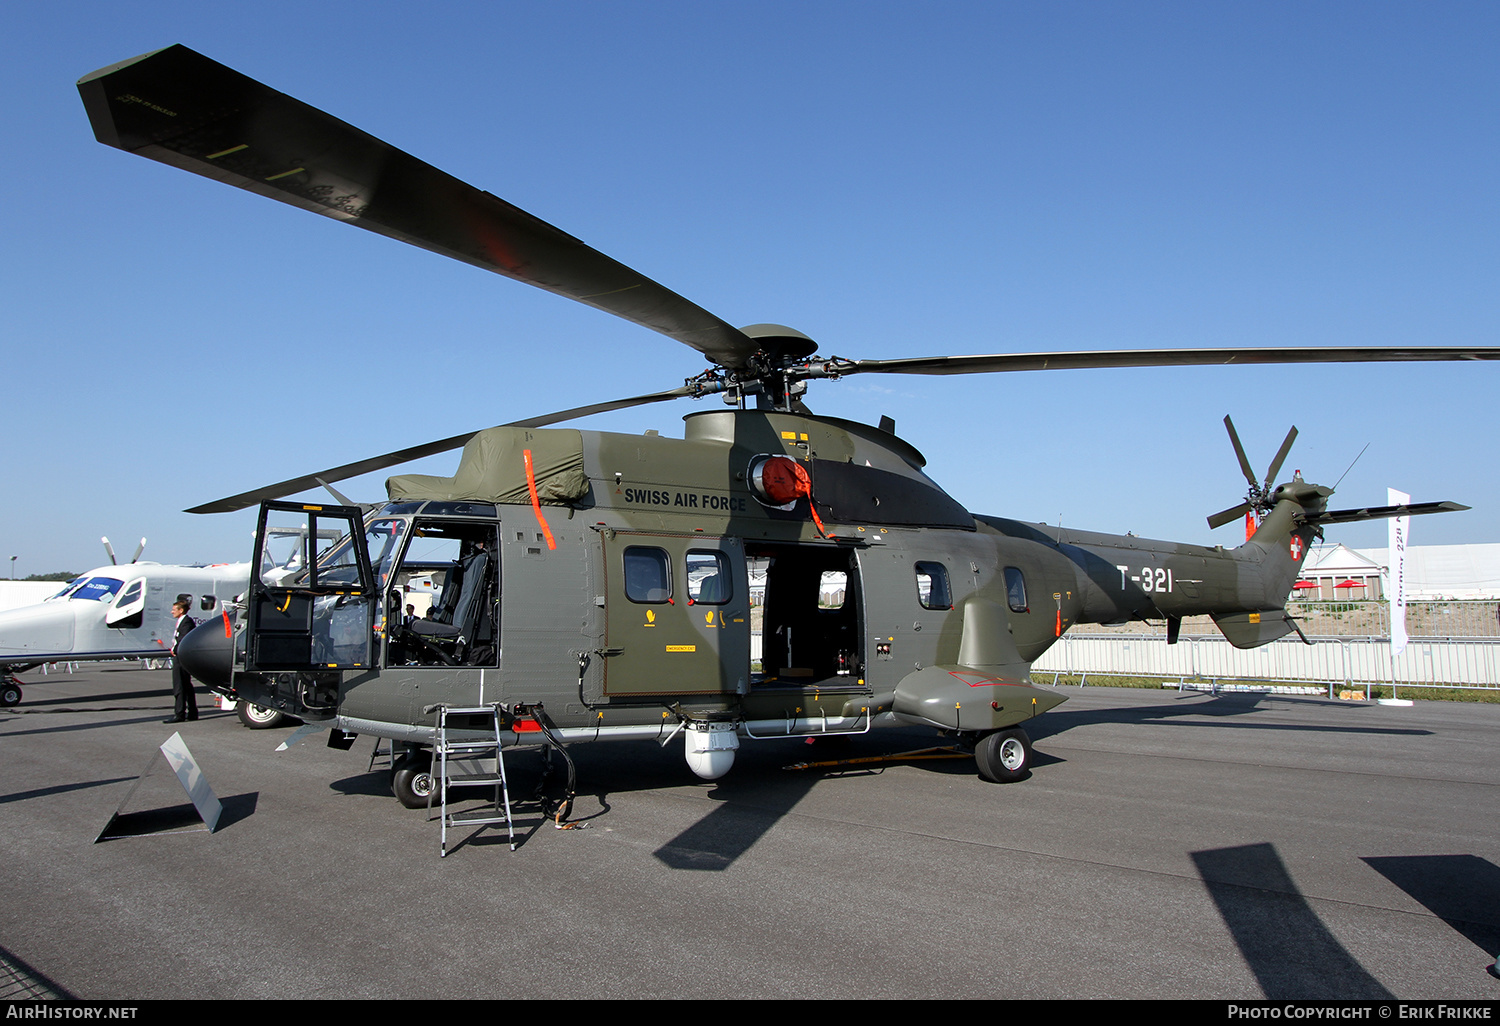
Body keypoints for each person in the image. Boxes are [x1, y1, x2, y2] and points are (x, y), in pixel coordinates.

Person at [166, 599, 198, 723]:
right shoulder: (182, 622)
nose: (171, 612)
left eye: (174, 610)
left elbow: (183, 639)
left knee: (179, 685)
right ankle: (192, 712)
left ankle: (179, 713)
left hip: (181, 657)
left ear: (181, 610)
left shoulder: (187, 622)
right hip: (180, 656)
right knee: (186, 685)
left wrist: (175, 649)